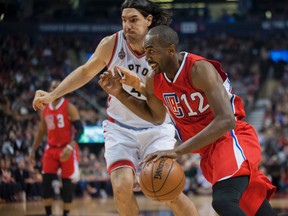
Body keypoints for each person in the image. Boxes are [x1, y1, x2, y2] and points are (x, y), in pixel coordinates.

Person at [32, 1, 199, 215]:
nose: (127, 25)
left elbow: (163, 106)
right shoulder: (112, 43)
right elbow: (85, 72)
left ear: (149, 20)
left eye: (133, 20)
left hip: (156, 130)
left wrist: (136, 84)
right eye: (124, 20)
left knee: (168, 191)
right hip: (120, 129)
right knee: (121, 188)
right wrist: (53, 95)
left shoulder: (162, 50)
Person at [98, 25, 277, 216]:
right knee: (255, 208)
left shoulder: (199, 69)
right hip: (207, 152)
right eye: (145, 51)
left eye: (151, 51)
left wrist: (178, 151)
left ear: (170, 50)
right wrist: (119, 93)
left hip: (231, 139)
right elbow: (156, 117)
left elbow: (226, 120)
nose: (147, 57)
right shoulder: (154, 79)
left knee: (224, 201)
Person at [30, 80, 83, 216]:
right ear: (49, 90)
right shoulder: (45, 109)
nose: (55, 88)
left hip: (66, 149)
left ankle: (66, 213)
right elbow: (41, 131)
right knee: (46, 183)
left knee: (67, 186)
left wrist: (71, 146)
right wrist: (33, 149)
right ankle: (48, 214)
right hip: (51, 149)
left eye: (57, 86)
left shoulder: (69, 106)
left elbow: (80, 129)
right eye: (53, 87)